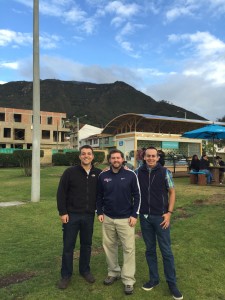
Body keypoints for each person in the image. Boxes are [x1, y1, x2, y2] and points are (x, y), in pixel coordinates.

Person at [136, 146, 183, 300]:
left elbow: (172, 192)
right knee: (150, 250)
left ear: (157, 157)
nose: (150, 158)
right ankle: (154, 279)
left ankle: (172, 283)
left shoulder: (165, 172)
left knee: (166, 251)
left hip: (161, 218)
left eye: (153, 156)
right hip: (144, 217)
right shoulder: (138, 172)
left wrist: (169, 213)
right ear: (144, 157)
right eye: (148, 156)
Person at [97, 149, 141, 295]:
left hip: (126, 219)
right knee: (109, 246)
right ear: (109, 160)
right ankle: (113, 272)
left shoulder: (131, 174)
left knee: (128, 249)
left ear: (123, 159)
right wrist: (99, 212)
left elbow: (137, 195)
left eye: (118, 158)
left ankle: (128, 280)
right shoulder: (103, 175)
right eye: (113, 158)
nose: (116, 160)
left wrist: (135, 214)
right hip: (108, 218)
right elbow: (99, 196)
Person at [57, 145, 101, 289]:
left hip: (89, 216)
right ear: (80, 156)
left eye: (89, 154)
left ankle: (85, 270)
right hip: (72, 216)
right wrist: (63, 212)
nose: (86, 156)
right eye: (83, 154)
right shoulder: (70, 172)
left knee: (86, 245)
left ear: (93, 156)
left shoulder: (98, 173)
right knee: (68, 247)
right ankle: (66, 275)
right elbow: (61, 193)